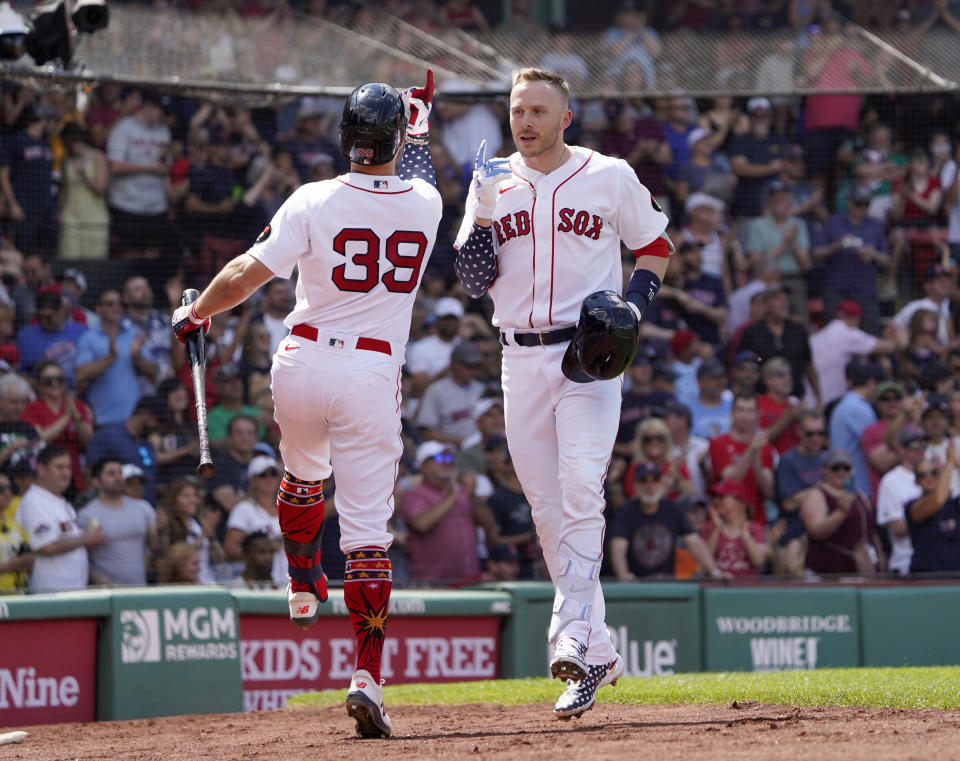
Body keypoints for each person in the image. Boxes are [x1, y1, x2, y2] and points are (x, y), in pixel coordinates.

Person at [171, 74, 439, 739]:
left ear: (346, 138)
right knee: (368, 534)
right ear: (398, 139)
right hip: (372, 369)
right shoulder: (427, 202)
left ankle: (300, 577)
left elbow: (246, 272)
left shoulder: (312, 198)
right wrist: (420, 121)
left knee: (300, 475)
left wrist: (196, 310)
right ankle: (367, 676)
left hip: (304, 356)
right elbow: (416, 163)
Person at [453, 67, 673, 718]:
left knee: (581, 484)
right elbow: (470, 279)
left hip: (589, 355)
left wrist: (635, 304)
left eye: (539, 110)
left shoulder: (608, 174)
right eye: (518, 109)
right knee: (549, 510)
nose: (525, 121)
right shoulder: (490, 179)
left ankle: (570, 637)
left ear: (565, 118)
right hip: (518, 357)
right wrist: (485, 213)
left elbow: (655, 244)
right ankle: (600, 648)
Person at [608, 461, 725, 580]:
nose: (650, 486)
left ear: (662, 483)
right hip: (637, 582)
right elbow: (618, 545)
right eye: (643, 481)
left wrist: (715, 572)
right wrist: (623, 574)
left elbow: (694, 541)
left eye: (655, 480)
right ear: (635, 484)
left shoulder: (673, 509)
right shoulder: (625, 511)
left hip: (667, 581)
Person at [15, 446, 103, 592]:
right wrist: (85, 539)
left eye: (68, 467)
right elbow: (46, 546)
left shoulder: (61, 501)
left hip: (74, 592)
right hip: (50, 596)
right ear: (41, 469)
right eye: (59, 467)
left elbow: (69, 541)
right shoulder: (34, 501)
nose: (66, 473)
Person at [75, 289, 157, 426]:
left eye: (119, 304)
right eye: (110, 304)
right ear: (98, 309)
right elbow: (80, 374)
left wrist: (137, 357)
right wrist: (110, 358)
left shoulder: (134, 334)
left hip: (133, 420)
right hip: (102, 419)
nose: (116, 308)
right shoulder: (88, 338)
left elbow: (153, 372)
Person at [106, 90, 172, 259]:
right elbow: (115, 166)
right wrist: (151, 168)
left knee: (154, 255)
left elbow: (165, 165)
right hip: (128, 204)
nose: (162, 115)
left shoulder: (163, 131)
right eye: (160, 110)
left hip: (156, 206)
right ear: (148, 107)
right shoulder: (124, 128)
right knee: (130, 256)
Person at [77, 457, 162, 586]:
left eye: (120, 473)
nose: (118, 477)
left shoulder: (143, 508)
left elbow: (155, 548)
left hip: (140, 589)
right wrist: (95, 576)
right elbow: (79, 558)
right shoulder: (86, 515)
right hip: (107, 594)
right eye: (111, 473)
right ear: (96, 482)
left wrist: (161, 530)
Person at [800, 448, 884, 577]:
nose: (841, 472)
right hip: (828, 572)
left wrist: (881, 560)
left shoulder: (860, 496)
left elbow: (871, 532)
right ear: (825, 470)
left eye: (846, 468)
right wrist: (840, 514)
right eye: (835, 468)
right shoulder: (817, 494)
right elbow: (815, 532)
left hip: (860, 570)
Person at [23, 360, 94, 497]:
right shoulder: (32, 408)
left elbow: (89, 440)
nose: (54, 383)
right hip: (45, 474)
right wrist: (67, 417)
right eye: (48, 380)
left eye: (59, 379)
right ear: (38, 384)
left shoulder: (77, 406)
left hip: (74, 474)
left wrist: (77, 417)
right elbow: (40, 439)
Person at [774, 411, 828, 576]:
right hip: (795, 529)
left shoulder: (828, 458)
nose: (815, 438)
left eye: (820, 433)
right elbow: (788, 503)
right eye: (810, 433)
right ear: (799, 432)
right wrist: (820, 490)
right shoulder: (788, 460)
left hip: (825, 527)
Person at [708, 394, 776, 525]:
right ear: (732, 412)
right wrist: (751, 451)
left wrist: (757, 462)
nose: (744, 415)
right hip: (724, 522)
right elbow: (730, 482)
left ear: (758, 415)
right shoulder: (718, 443)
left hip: (756, 521)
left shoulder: (765, 447)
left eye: (750, 411)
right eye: (740, 410)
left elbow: (769, 492)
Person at [85, 395, 164, 504]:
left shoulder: (149, 445)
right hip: (114, 509)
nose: (157, 426)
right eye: (157, 420)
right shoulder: (108, 434)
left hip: (147, 512)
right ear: (145, 413)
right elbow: (90, 471)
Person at [223, 455, 286, 588]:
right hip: (258, 582)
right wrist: (261, 551)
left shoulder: (289, 510)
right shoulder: (244, 509)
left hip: (288, 579)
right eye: (263, 475)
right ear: (253, 480)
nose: (269, 479)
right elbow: (230, 548)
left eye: (273, 474)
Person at [876, 425, 927, 576]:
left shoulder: (935, 475)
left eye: (923, 443)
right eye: (913, 445)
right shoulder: (891, 481)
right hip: (906, 562)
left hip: (938, 558)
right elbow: (897, 528)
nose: (919, 449)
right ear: (901, 449)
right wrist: (929, 508)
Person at [905, 441, 960, 574]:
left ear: (940, 475)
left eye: (933, 472)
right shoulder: (913, 506)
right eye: (923, 475)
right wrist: (949, 462)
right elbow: (937, 500)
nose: (929, 477)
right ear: (916, 481)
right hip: (925, 577)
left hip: (955, 576)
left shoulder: (954, 504)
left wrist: (957, 463)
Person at [702, 479, 768, 577]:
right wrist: (716, 529)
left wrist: (745, 533)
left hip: (747, 588)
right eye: (714, 497)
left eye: (721, 497)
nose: (716, 501)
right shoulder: (709, 528)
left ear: (739, 501)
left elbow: (758, 561)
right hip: (716, 588)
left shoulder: (755, 528)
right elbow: (705, 561)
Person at [0, 471, 32, 593]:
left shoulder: (16, 526)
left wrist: (29, 559)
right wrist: (12, 565)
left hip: (19, 597)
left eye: (10, 488)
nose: (8, 493)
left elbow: (31, 556)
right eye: (1, 489)